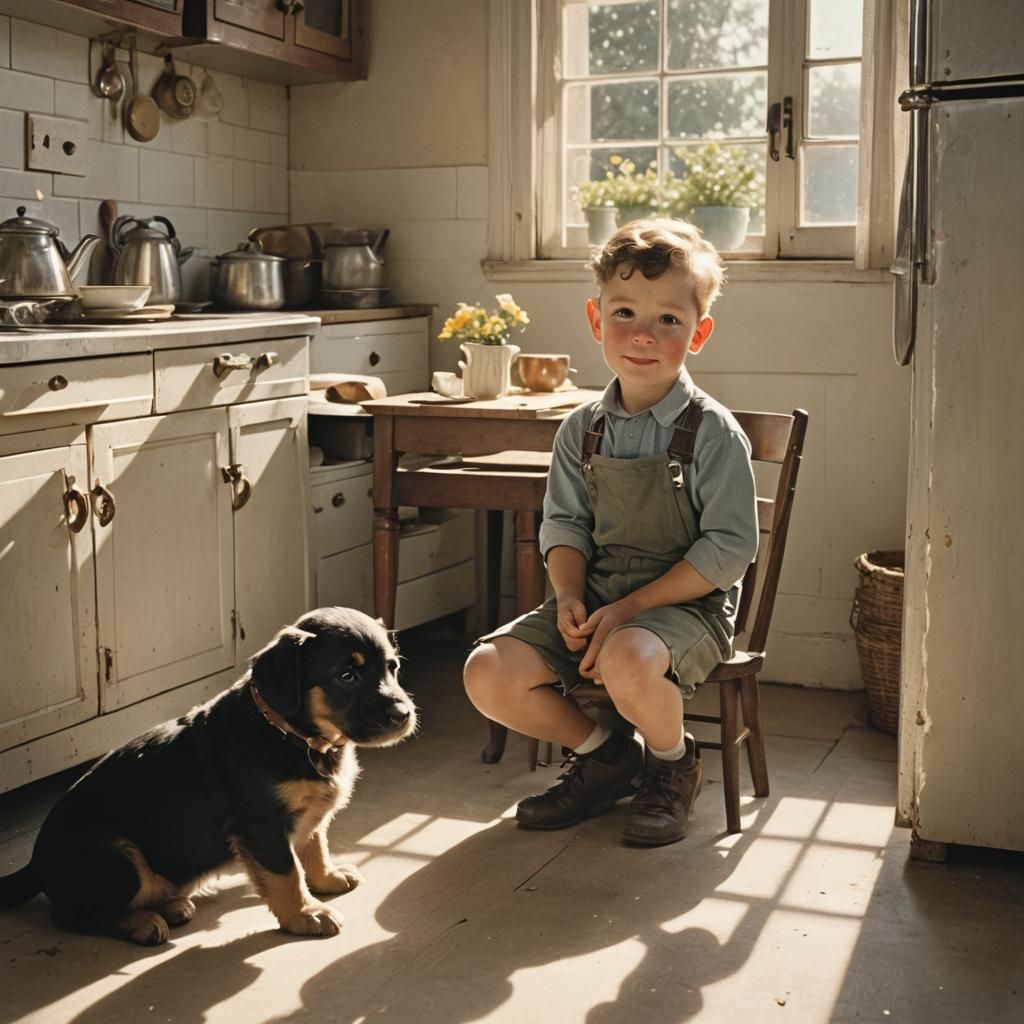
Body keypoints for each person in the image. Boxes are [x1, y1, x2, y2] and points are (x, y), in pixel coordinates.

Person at [463, 218, 759, 847]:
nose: (643, 335)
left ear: (698, 333)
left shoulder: (712, 432)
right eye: (624, 312)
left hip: (687, 607)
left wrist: (632, 609)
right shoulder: (580, 429)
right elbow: (565, 523)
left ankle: (674, 763)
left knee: (628, 656)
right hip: (597, 598)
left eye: (669, 321)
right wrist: (570, 596)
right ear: (596, 320)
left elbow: (729, 549)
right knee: (486, 671)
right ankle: (606, 757)